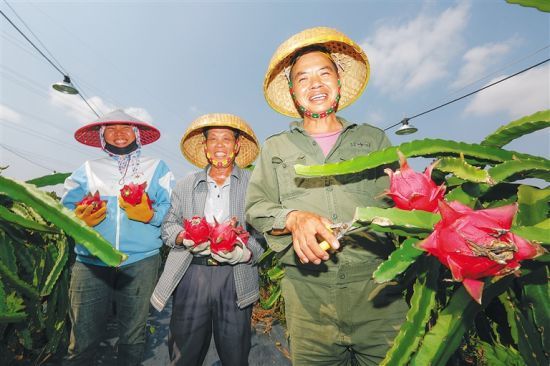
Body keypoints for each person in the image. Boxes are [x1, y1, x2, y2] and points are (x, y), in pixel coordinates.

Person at [245, 27, 408, 365]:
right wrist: (293, 218)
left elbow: (403, 201)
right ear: (292, 92)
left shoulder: (373, 140)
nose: (315, 84)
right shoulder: (275, 147)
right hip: (307, 297)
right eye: (303, 78)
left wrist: (415, 187)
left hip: (378, 289)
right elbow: (256, 208)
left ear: (338, 81)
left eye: (324, 73)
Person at [61, 109, 174, 365]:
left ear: (136, 134)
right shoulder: (89, 169)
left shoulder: (156, 167)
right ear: (102, 136)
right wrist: (80, 220)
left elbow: (170, 209)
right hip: (91, 261)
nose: (119, 134)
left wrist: (149, 215)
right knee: (82, 338)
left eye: (126, 129)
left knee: (132, 338)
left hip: (140, 262)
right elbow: (64, 207)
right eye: (110, 129)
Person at [151, 113, 264, 366]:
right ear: (204, 147)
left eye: (226, 139)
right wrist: (183, 237)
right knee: (184, 353)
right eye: (213, 139)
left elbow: (263, 233)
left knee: (235, 353)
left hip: (235, 275)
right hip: (193, 273)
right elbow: (168, 225)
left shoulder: (254, 184)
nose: (220, 146)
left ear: (236, 146)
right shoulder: (185, 185)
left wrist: (245, 253)